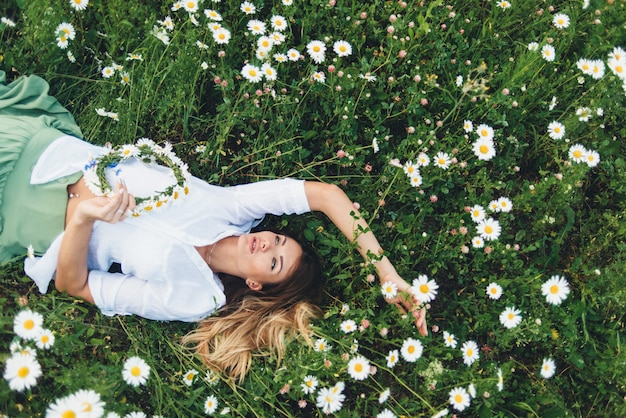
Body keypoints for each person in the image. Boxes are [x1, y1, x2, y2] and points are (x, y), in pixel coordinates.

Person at [0, 70, 427, 381]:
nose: (266, 244)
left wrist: (82, 221)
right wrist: (387, 273)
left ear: (257, 285)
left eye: (275, 262)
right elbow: (327, 195)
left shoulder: (193, 298)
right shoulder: (233, 207)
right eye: (278, 239)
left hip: (24, 214)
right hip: (39, 149)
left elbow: (74, 285)